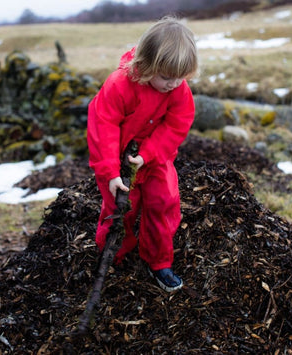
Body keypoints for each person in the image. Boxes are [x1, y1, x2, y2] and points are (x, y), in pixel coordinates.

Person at [87, 16, 198, 292]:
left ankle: (159, 261)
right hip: (118, 164)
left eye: (179, 77)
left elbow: (177, 124)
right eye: (166, 77)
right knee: (120, 209)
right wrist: (111, 172)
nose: (173, 84)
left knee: (164, 203)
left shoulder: (178, 89)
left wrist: (149, 153)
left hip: (155, 159)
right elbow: (103, 126)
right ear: (146, 65)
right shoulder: (120, 85)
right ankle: (115, 253)